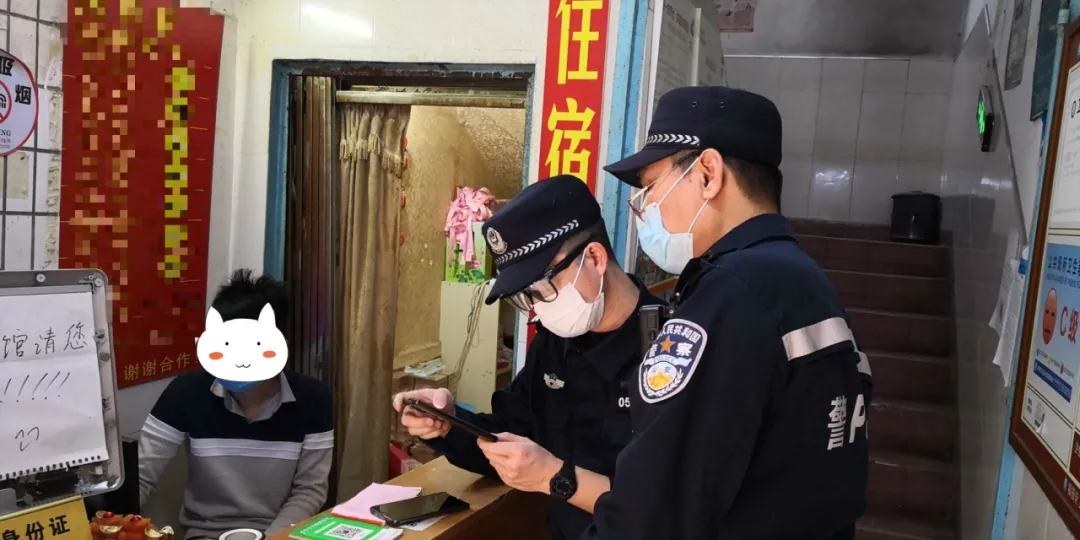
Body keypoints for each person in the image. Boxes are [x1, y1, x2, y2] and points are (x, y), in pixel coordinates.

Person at [582, 86, 873, 539]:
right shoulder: (803, 280)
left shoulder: (730, 295)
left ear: (708, 174)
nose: (646, 210)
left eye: (650, 189)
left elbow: (652, 514)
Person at [392, 175, 664, 540]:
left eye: (540, 290)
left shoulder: (671, 349)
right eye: (525, 297)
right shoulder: (556, 342)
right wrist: (450, 423)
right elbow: (511, 436)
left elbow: (669, 506)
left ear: (594, 258)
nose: (537, 309)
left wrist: (556, 476)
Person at [138, 270, 334, 539]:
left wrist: (272, 537)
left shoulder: (313, 398)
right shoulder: (186, 392)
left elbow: (310, 489)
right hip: (205, 534)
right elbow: (142, 473)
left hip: (281, 534)